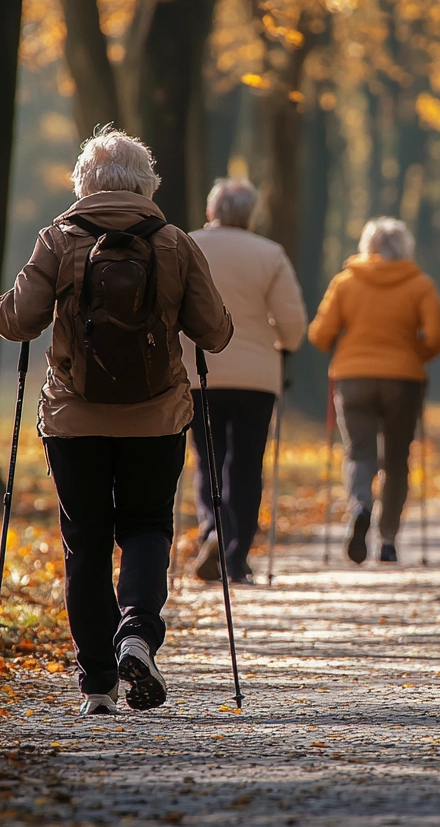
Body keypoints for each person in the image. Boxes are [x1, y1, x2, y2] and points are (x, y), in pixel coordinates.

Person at [0, 128, 233, 716]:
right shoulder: (173, 242)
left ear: (84, 183)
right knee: (148, 527)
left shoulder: (60, 237)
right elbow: (215, 333)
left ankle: (97, 682)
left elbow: (18, 320)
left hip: (75, 419)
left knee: (87, 543)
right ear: (146, 184)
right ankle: (137, 635)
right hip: (156, 417)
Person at [183, 178, 306, 585]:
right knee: (247, 464)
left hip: (199, 372)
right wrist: (283, 344)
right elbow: (291, 324)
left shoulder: (187, 245)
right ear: (251, 215)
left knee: (207, 459)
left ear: (210, 211)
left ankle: (212, 530)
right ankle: (236, 555)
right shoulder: (270, 254)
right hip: (255, 377)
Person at [308, 217, 440, 564]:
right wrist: (416, 355)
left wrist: (341, 343)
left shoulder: (345, 282)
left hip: (353, 377)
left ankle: (359, 504)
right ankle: (388, 539)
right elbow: (438, 336)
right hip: (404, 380)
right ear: (404, 248)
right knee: (397, 459)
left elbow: (320, 334)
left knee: (358, 452)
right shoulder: (419, 284)